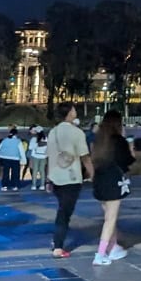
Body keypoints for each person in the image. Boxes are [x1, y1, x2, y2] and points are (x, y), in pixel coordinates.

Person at [47, 102, 93, 258]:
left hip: (55, 177)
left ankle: (57, 241)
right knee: (64, 213)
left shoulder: (52, 132)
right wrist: (93, 174)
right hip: (71, 178)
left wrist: (48, 179)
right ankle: (58, 246)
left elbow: (50, 157)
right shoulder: (77, 133)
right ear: (69, 113)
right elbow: (85, 157)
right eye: (73, 109)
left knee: (63, 210)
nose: (75, 111)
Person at [90, 110, 136, 265]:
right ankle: (100, 254)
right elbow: (128, 161)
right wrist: (130, 146)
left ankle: (113, 246)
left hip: (99, 182)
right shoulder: (119, 141)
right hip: (113, 183)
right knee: (111, 219)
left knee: (108, 217)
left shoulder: (99, 140)